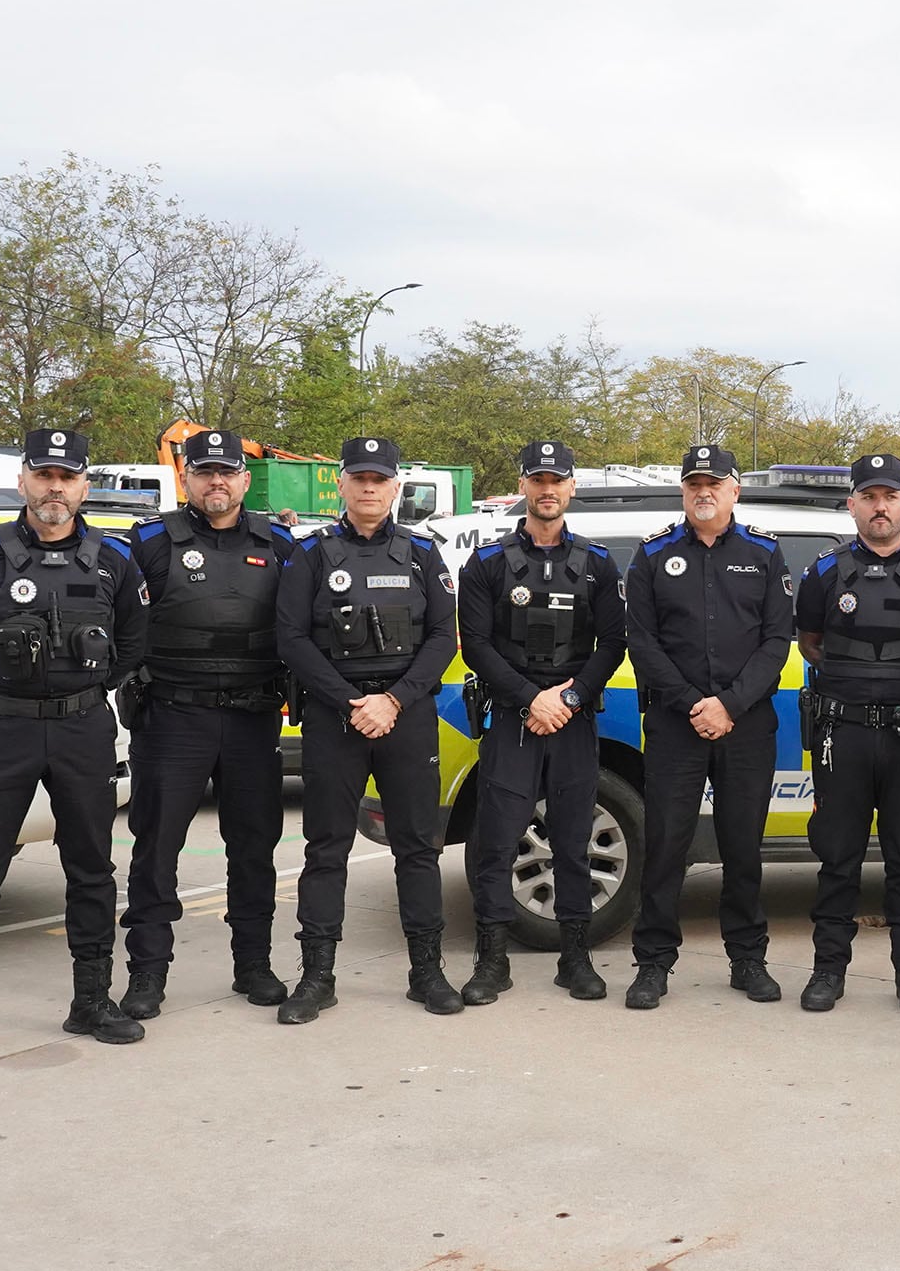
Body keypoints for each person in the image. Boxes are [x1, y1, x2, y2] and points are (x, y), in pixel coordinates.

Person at [0, 429, 149, 1066]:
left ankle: (92, 1000)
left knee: (92, 870)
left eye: (67, 477)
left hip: (81, 730)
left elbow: (133, 644)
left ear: (83, 486)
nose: (55, 488)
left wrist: (91, 689)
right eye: (44, 475)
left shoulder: (114, 561)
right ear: (23, 481)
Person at [275, 436, 462, 1022]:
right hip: (338, 717)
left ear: (395, 486)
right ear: (341, 483)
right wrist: (354, 701)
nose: (369, 489)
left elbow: (441, 637)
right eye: (359, 478)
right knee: (326, 848)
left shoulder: (421, 554)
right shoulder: (312, 555)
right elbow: (292, 638)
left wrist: (394, 701)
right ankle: (317, 976)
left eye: (379, 480)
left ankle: (426, 971)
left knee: (417, 848)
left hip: (405, 717)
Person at [118, 429, 298, 1021]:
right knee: (156, 849)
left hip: (252, 719)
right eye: (204, 472)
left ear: (245, 480)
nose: (216, 481)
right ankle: (147, 973)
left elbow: (306, 626)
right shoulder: (147, 543)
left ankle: (253, 965)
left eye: (227, 472)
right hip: (173, 717)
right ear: (185, 479)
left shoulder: (281, 545)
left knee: (253, 849)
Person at [623, 446, 793, 1009]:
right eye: (694, 482)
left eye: (715, 483)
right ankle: (653, 963)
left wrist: (730, 705)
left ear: (734, 491)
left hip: (745, 725)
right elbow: (641, 642)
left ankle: (748, 958)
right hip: (676, 724)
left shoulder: (765, 555)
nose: (704, 491)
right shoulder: (652, 555)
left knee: (743, 846)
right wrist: (695, 703)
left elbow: (776, 642)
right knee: (667, 845)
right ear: (682, 491)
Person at [456, 440, 626, 1003]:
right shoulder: (486, 563)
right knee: (498, 843)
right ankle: (492, 960)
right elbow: (477, 645)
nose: (548, 490)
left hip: (572, 721)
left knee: (573, 842)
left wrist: (570, 699)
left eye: (558, 481)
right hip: (513, 720)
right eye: (538, 480)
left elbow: (613, 644)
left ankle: (575, 958)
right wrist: (533, 698)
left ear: (571, 488)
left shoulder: (598, 564)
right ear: (523, 487)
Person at [796, 454, 900, 1014]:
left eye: (889, 496)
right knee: (838, 857)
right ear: (852, 504)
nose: (879, 507)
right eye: (869, 497)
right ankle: (827, 970)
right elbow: (811, 640)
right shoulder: (824, 572)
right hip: (845, 734)